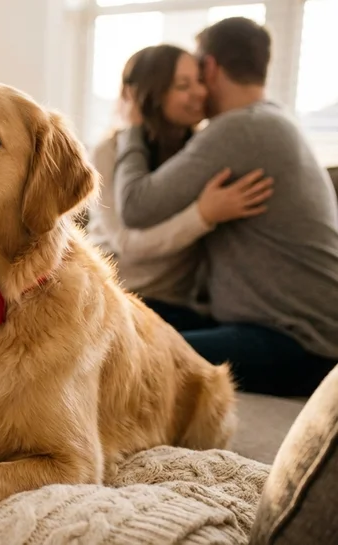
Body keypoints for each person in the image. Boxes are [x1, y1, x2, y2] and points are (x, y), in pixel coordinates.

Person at [114, 17, 338, 396]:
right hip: (299, 332)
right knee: (127, 316)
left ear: (212, 67)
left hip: (296, 343)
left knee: (134, 353)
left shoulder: (239, 129)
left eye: (198, 74)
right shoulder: (273, 119)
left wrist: (133, 124)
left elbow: (136, 205)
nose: (198, 90)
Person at [87, 44, 272, 329]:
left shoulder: (202, 151)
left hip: (172, 304)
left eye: (199, 80)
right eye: (183, 85)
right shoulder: (107, 152)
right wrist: (204, 215)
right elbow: (126, 243)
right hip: (115, 295)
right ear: (151, 95)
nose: (199, 92)